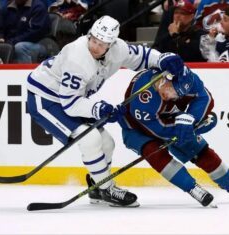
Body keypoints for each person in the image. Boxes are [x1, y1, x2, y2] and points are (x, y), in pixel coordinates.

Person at [26, 15, 186, 207]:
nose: (95, 47)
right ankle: (106, 188)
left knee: (107, 143)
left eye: (102, 44)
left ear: (111, 45)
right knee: (90, 138)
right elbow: (70, 103)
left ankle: (96, 186)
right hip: (45, 98)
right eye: (93, 40)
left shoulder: (118, 49)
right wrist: (99, 109)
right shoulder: (77, 57)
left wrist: (163, 59)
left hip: (69, 98)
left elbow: (141, 56)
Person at [117, 66, 229, 207]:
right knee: (155, 153)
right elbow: (158, 130)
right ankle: (192, 188)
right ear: (163, 81)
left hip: (169, 119)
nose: (172, 96)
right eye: (170, 91)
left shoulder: (187, 78)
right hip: (136, 128)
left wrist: (192, 119)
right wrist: (190, 129)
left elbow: (204, 97)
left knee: (197, 148)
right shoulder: (143, 97)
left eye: (178, 93)